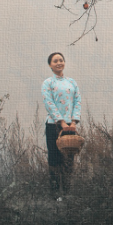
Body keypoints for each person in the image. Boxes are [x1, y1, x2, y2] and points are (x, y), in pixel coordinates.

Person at [42, 52, 81, 200]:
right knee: (54, 159)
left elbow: (78, 101)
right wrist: (61, 121)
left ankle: (66, 193)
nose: (59, 63)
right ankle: (55, 194)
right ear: (50, 65)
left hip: (70, 128)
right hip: (54, 126)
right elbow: (48, 103)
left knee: (69, 160)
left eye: (61, 60)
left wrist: (73, 122)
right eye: (55, 61)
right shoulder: (48, 83)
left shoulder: (72, 82)